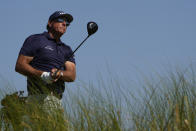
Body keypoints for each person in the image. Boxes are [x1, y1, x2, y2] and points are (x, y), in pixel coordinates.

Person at [15, 11, 76, 105]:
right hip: (37, 97)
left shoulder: (66, 49)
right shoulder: (36, 40)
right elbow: (20, 65)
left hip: (57, 100)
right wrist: (44, 75)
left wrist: (60, 74)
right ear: (50, 23)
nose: (64, 24)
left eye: (67, 23)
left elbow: (72, 75)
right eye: (60, 20)